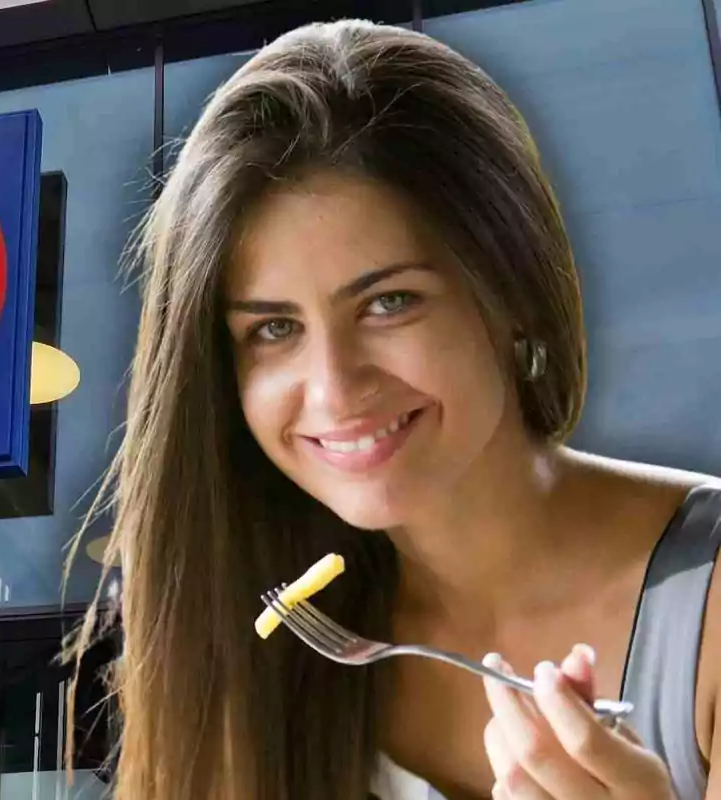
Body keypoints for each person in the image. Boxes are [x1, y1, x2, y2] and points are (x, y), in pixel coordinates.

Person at [66, 17, 721, 800]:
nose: (334, 390)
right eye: (273, 329)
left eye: (389, 302)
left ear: (513, 289)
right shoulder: (245, 651)